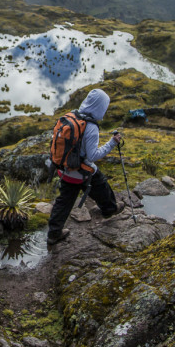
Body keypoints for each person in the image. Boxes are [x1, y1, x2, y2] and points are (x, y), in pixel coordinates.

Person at [47, 88, 125, 245]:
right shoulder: (91, 127)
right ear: (100, 106)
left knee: (64, 201)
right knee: (101, 183)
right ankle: (109, 210)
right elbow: (93, 156)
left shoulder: (72, 116)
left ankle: (54, 233)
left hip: (64, 168)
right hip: (81, 172)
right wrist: (112, 143)